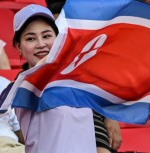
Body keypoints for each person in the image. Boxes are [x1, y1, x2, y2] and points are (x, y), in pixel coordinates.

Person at [4, 4, 96, 153]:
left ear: (59, 38)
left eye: (47, 36)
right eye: (31, 38)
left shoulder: (79, 77)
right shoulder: (24, 85)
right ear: (18, 46)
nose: (41, 44)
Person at [46, 1, 122, 152]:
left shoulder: (86, 64)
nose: (61, 37)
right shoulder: (33, 74)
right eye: (54, 32)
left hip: (89, 122)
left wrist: (110, 116)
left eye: (65, 30)